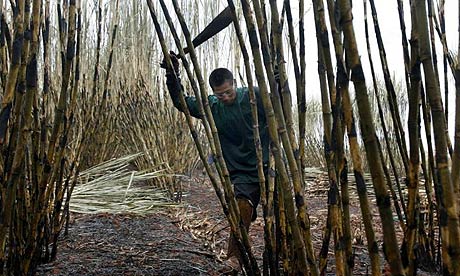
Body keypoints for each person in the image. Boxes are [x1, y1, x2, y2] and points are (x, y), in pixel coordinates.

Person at [163, 53, 270, 273]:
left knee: (283, 215)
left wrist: (277, 77)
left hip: (271, 166)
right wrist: (172, 75)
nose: (225, 98)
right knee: (241, 209)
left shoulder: (254, 96)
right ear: (214, 92)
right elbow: (182, 101)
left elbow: (278, 103)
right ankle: (234, 259)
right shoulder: (212, 106)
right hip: (241, 172)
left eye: (228, 93)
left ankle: (286, 256)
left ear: (235, 85)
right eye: (220, 95)